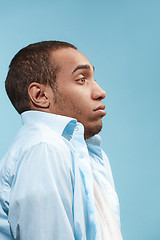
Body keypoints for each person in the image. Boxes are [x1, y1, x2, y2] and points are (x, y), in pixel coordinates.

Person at [0, 41, 123, 240]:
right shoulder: (44, 149)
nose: (100, 92)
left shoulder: (82, 152)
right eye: (81, 79)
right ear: (40, 95)